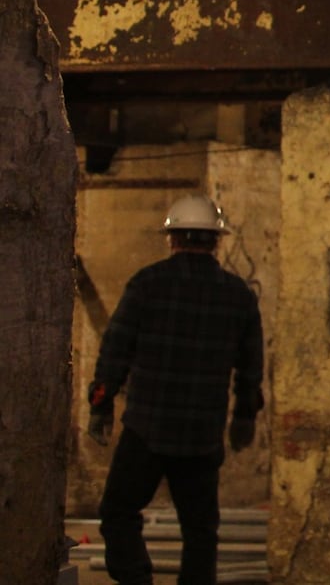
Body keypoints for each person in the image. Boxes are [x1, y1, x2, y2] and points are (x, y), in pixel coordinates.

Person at [87, 194, 264, 585]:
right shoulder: (239, 296)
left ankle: (136, 579)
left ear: (172, 239)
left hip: (146, 430)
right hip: (201, 436)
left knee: (118, 513)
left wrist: (100, 404)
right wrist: (245, 416)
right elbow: (251, 367)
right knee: (200, 533)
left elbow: (115, 350)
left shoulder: (147, 285)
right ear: (216, 241)